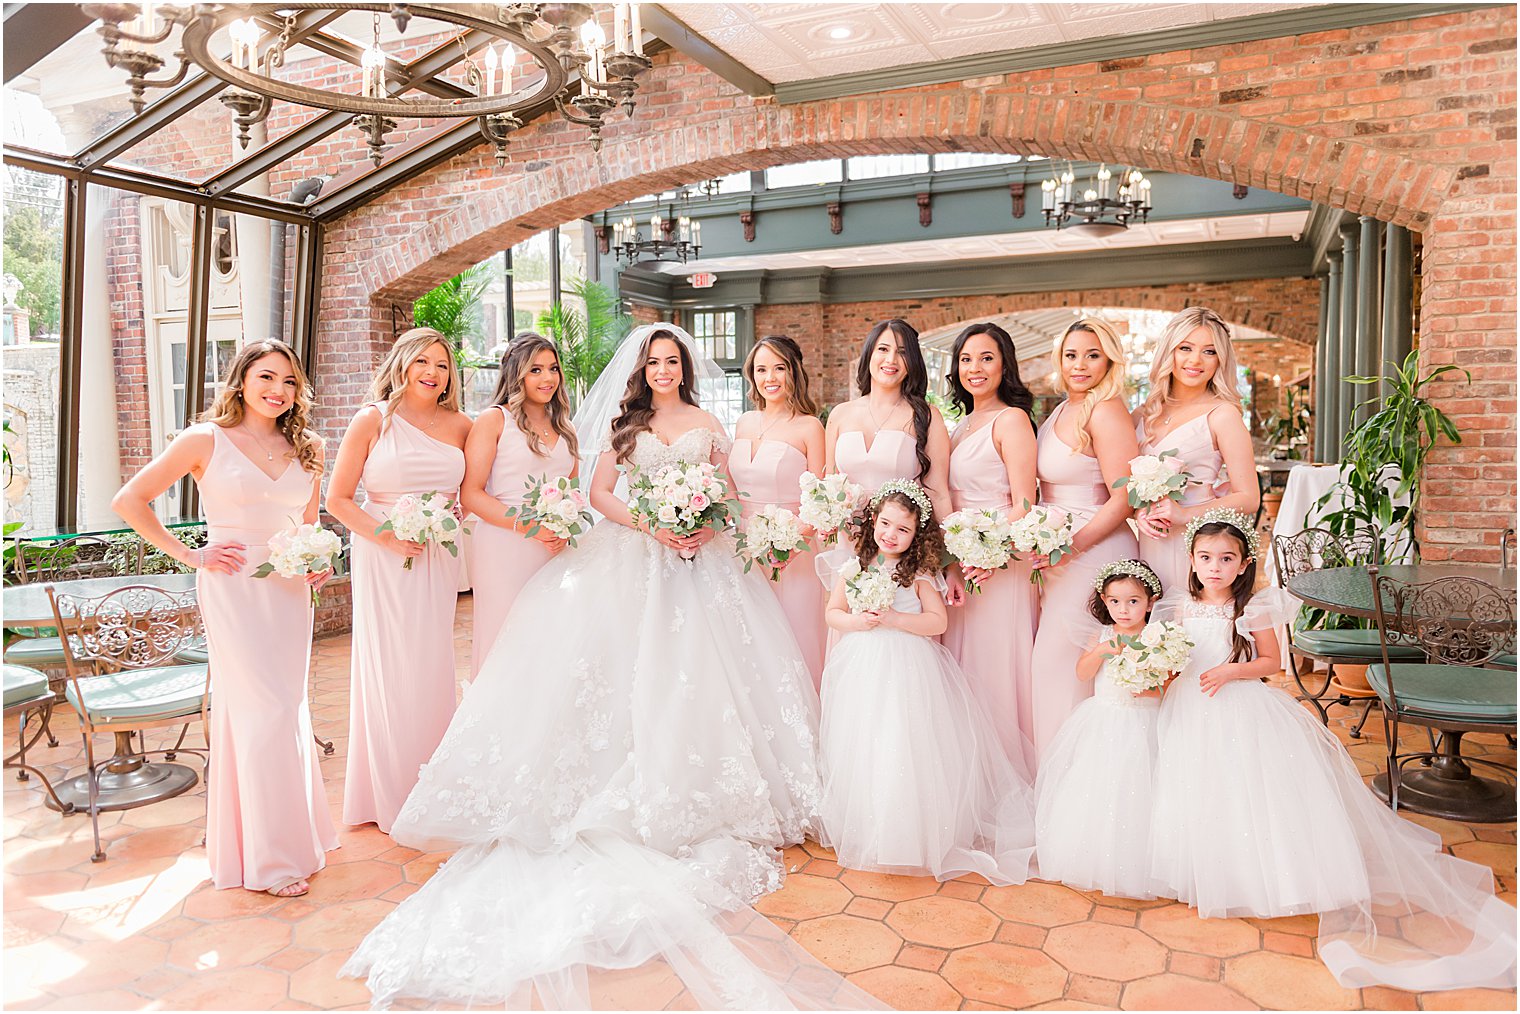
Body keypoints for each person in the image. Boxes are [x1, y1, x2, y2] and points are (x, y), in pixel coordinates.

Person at [342, 324, 878, 1011]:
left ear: (684, 367)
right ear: (642, 370)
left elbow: (725, 492)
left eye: (670, 360)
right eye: (652, 361)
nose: (661, 369)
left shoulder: (711, 421)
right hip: (638, 553)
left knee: (713, 676)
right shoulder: (625, 426)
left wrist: (706, 524)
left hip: (704, 562)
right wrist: (651, 524)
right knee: (630, 676)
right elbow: (599, 494)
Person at [1149, 508, 1516, 990]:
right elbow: (1172, 653)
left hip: (1235, 702)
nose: (1214, 566)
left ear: (1242, 566)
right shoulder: (1177, 605)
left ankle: (1254, 876)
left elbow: (1271, 662)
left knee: (1244, 787)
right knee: (1196, 783)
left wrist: (1230, 671)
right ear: (1192, 561)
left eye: (1226, 558)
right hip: (1188, 707)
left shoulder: (1252, 608)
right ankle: (1201, 867)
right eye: (1205, 557)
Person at [111, 339, 337, 898]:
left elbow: (308, 522)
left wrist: (318, 563)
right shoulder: (204, 439)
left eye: (288, 381)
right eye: (266, 377)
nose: (277, 390)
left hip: (287, 591)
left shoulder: (305, 446)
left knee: (286, 709)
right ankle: (272, 861)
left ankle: (291, 837)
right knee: (263, 713)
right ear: (240, 380)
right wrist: (193, 554)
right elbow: (130, 500)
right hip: (234, 588)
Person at [818, 479, 1036, 885]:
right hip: (862, 660)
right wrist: (856, 622)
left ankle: (907, 832)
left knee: (902, 739)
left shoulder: (917, 572)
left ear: (917, 535)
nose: (891, 535)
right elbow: (833, 612)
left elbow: (938, 621)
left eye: (903, 529)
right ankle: (871, 828)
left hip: (908, 666)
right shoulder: (853, 566)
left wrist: (897, 619)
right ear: (872, 522)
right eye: (885, 524)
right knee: (864, 742)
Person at [325, 327, 471, 834]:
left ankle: (434, 782)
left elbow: (475, 491)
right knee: (390, 666)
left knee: (432, 663)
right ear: (402, 364)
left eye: (442, 364)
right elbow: (337, 500)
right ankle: (388, 791)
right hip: (384, 555)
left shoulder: (461, 425)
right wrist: (387, 536)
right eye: (423, 362)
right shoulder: (373, 420)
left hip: (437, 555)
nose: (433, 373)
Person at [1026, 317, 1138, 764]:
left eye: (1093, 355)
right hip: (1058, 553)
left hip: (1094, 551)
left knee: (1059, 667)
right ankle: (1063, 775)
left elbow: (1124, 496)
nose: (1080, 364)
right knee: (1060, 668)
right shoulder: (1061, 408)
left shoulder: (1105, 409)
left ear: (1109, 359)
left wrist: (1072, 545)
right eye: (1072, 355)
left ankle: (1072, 774)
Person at [1035, 560, 1165, 900]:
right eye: (1115, 601)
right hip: (1104, 719)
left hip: (1144, 720)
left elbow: (1167, 683)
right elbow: (1082, 673)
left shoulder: (1157, 637)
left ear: (1150, 602)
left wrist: (1150, 689)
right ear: (1104, 602)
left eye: (1133, 601)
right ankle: (1091, 853)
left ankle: (1139, 859)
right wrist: (1101, 651)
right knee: (1098, 783)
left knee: (1141, 785)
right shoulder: (1102, 634)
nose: (1124, 609)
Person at [942, 322, 1040, 764]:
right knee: (965, 670)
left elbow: (1025, 503)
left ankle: (1007, 772)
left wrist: (992, 555)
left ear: (1005, 366)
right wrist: (956, 557)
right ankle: (973, 773)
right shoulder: (960, 425)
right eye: (966, 359)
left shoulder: (1012, 420)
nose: (974, 368)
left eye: (986, 358)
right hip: (964, 563)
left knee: (995, 667)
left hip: (999, 566)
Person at [459, 333, 578, 678]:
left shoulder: (566, 428)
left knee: (551, 638)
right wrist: (532, 527)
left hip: (553, 550)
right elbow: (471, 494)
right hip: (504, 548)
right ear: (517, 374)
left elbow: (572, 491)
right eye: (535, 370)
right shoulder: (494, 421)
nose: (547, 378)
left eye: (553, 368)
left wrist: (563, 530)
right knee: (506, 637)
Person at [1133, 307, 1258, 593]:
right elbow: (1125, 487)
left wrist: (1183, 516)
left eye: (1209, 351)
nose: (1195, 360)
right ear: (1169, 352)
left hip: (1196, 545)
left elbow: (1249, 497)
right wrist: (1138, 513)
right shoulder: (1142, 414)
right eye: (1185, 348)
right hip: (1148, 542)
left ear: (1220, 360)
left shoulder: (1223, 414)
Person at [728, 335, 827, 686]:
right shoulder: (743, 423)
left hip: (793, 552)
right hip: (742, 551)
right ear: (751, 376)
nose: (770, 377)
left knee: (795, 638)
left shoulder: (809, 426)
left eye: (779, 368)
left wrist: (785, 543)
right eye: (761, 369)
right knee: (750, 642)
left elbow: (821, 500)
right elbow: (730, 491)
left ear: (793, 372)